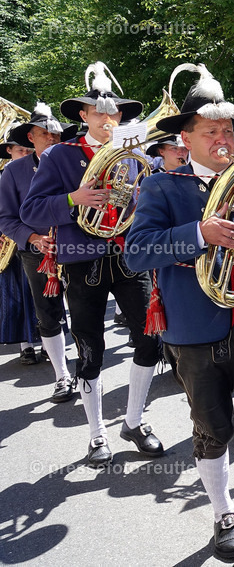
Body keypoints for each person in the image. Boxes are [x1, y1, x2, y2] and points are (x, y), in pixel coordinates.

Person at [124, 67, 234, 559]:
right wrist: (200, 235)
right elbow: (135, 254)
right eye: (211, 131)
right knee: (212, 428)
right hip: (196, 331)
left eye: (228, 130)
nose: (224, 139)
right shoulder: (164, 187)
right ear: (186, 138)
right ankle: (224, 512)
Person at [21, 62, 163, 468]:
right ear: (83, 116)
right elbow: (30, 210)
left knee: (152, 338)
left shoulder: (132, 154)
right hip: (83, 262)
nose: (107, 119)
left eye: (113, 113)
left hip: (129, 256)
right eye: (99, 113)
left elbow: (140, 203)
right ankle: (97, 433)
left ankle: (133, 421)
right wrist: (73, 199)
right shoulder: (61, 157)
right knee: (90, 351)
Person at [0, 104, 77, 396]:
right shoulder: (14, 171)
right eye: (44, 134)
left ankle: (87, 365)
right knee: (48, 313)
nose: (52, 138)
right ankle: (62, 375)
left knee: (84, 310)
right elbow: (6, 218)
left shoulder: (74, 163)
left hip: (77, 246)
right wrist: (32, 237)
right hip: (38, 253)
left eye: (56, 134)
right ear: (30, 138)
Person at [0, 135, 41, 365]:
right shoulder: (7, 174)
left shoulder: (38, 171)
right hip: (9, 244)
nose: (25, 154)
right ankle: (26, 345)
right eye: (20, 150)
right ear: (10, 151)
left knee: (43, 296)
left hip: (32, 243)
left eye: (28, 150)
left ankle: (46, 342)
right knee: (17, 297)